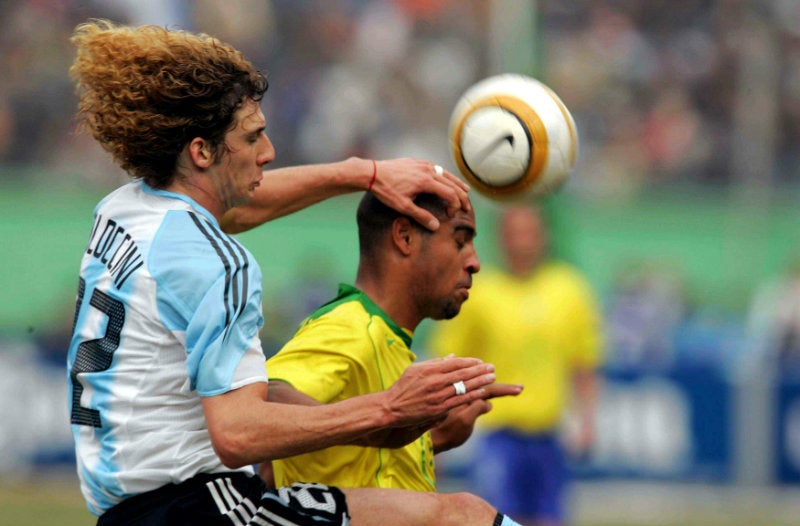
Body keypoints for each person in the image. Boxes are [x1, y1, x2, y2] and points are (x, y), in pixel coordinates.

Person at [66, 19, 525, 526]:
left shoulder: (123, 211)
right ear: (201, 151)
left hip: (127, 510)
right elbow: (239, 435)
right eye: (254, 137)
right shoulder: (220, 263)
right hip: (201, 510)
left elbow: (237, 208)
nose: (269, 152)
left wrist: (365, 173)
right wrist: (389, 410)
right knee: (461, 518)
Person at [263, 192, 523, 490]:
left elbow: (284, 467)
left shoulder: (390, 341)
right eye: (460, 241)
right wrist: (386, 413)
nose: (475, 262)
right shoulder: (352, 326)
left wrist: (429, 438)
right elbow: (270, 396)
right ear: (405, 237)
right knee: (471, 514)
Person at [428, 205, 603, 526]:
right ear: (501, 238)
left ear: (544, 236)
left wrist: (588, 421)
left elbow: (584, 362)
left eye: (530, 232)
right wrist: (437, 425)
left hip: (550, 435)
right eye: (515, 233)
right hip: (498, 434)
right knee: (500, 518)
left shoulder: (569, 289)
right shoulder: (477, 291)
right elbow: (447, 362)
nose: (523, 242)